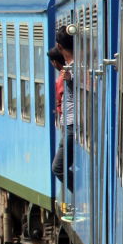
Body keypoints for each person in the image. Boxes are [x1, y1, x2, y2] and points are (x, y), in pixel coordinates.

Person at [51, 27, 75, 195]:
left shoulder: (70, 71)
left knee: (58, 168)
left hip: (72, 125)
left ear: (59, 47)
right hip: (69, 124)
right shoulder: (69, 69)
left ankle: (79, 195)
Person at [47, 46, 66, 126]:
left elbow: (60, 98)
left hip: (65, 118)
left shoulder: (63, 78)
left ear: (54, 62)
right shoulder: (64, 75)